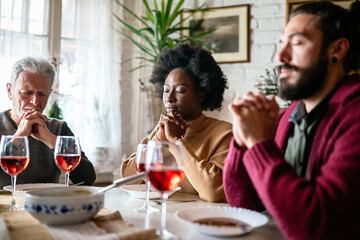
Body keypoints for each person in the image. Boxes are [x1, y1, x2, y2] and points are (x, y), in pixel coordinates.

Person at [223, 1, 360, 240]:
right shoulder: (289, 115)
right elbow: (245, 206)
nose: (281, 56)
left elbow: (315, 228)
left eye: (296, 43)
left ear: (336, 50)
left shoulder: (355, 114)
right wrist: (243, 138)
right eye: (281, 43)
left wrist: (258, 144)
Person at [121, 43, 233, 202]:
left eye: (180, 91)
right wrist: (158, 140)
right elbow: (129, 179)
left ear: (200, 94)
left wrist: (175, 142)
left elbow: (213, 192)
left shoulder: (223, 133)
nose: (169, 98)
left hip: (198, 220)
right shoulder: (164, 129)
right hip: (161, 215)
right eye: (166, 90)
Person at [0, 56, 96, 187]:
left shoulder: (58, 128)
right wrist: (18, 137)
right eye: (26, 92)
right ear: (10, 91)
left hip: (46, 205)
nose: (35, 101)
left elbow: (87, 179)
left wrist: (51, 140)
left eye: (42, 94)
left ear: (49, 94)